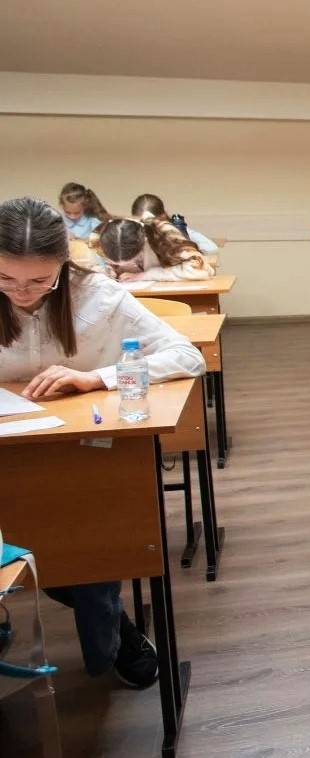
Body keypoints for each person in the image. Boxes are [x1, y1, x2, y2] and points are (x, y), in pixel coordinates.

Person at [0, 196, 206, 687]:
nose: (21, 292)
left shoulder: (97, 295)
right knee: (41, 539)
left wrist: (98, 377)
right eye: (5, 279)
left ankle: (113, 630)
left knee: (86, 535)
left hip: (83, 451)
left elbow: (187, 356)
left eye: (39, 280)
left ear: (63, 264)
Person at [95, 216, 215, 281]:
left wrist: (144, 275)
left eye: (131, 259)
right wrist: (108, 272)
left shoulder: (163, 233)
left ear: (143, 242)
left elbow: (202, 271)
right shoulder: (99, 238)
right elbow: (95, 268)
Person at [130, 193, 219, 254]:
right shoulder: (133, 231)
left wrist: (183, 246)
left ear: (163, 216)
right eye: (142, 222)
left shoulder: (175, 228)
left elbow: (212, 248)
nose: (146, 226)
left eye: (150, 222)